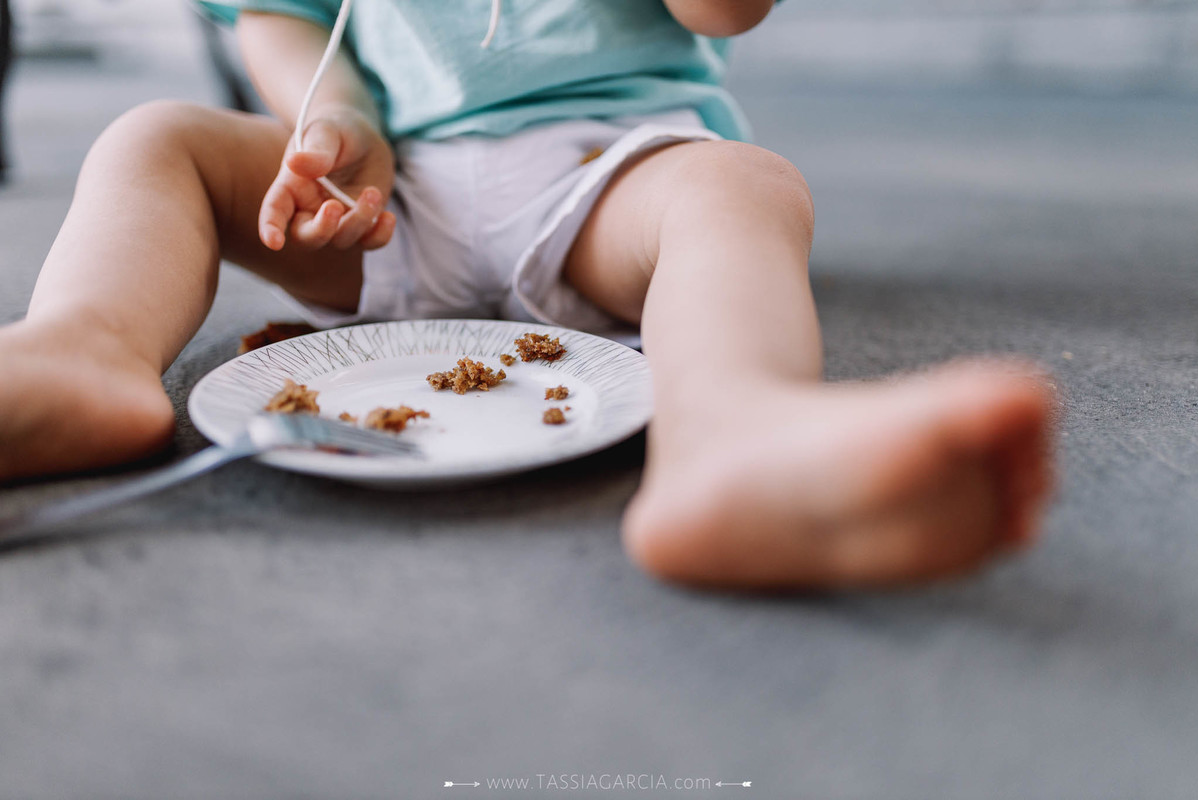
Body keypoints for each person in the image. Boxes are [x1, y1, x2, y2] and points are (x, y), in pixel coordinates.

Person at [0, 0, 1054, 588]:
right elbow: (277, 18)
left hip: (603, 174)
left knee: (740, 189)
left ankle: (730, 431)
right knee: (158, 139)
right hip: (389, 190)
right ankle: (85, 347)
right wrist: (339, 125)